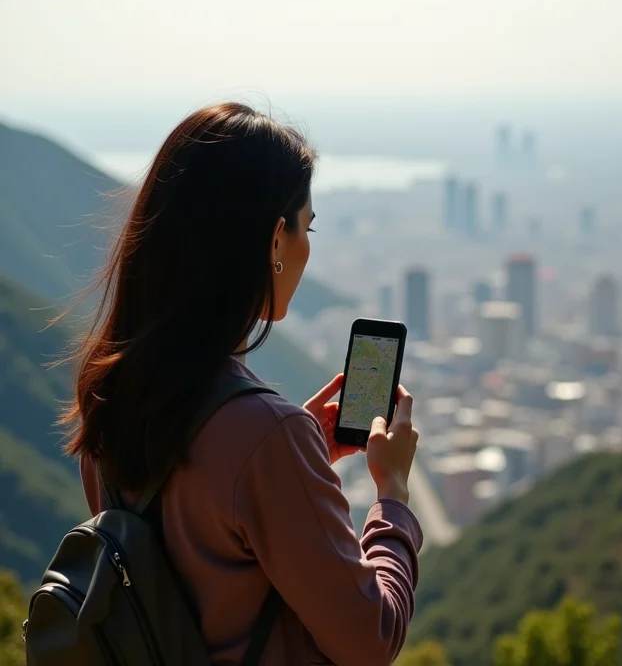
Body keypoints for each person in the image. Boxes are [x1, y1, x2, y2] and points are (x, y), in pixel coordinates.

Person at [61, 102, 422, 666]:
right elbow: (370, 640)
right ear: (275, 241)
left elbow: (192, 563)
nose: (308, 248)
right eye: (308, 226)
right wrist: (393, 495)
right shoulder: (264, 436)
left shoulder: (115, 393)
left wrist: (301, 459)